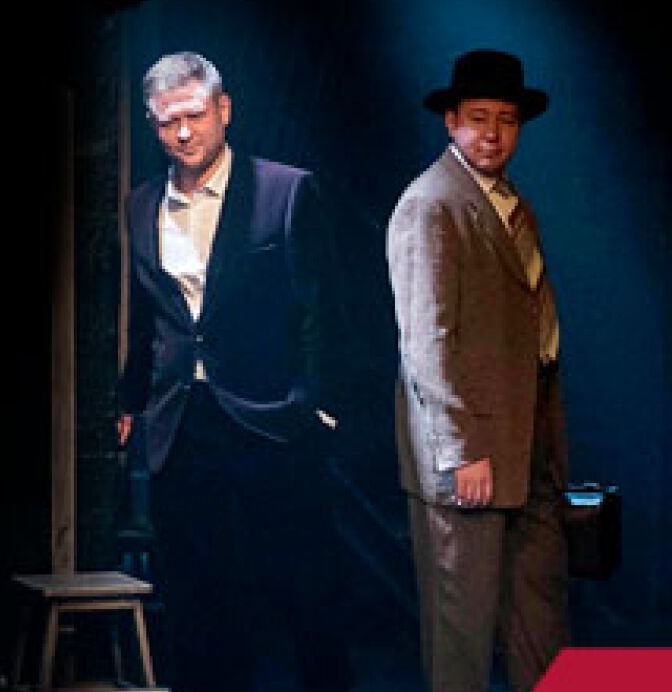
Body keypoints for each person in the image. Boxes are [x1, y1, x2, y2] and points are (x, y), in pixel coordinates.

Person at [117, 51, 353, 692]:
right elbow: (148, 317)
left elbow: (324, 309)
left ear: (224, 110)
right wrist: (131, 401)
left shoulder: (286, 190)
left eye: (194, 116)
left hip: (271, 419)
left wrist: (317, 406)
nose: (182, 133)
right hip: (183, 425)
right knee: (198, 603)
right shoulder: (142, 205)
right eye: (167, 122)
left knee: (304, 593)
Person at [386, 49, 570, 692]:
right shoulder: (431, 203)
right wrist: (460, 448)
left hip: (528, 439)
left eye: (507, 120)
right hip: (468, 452)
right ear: (451, 121)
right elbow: (426, 343)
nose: (492, 134)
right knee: (461, 632)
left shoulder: (511, 203)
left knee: (539, 616)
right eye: (478, 118)